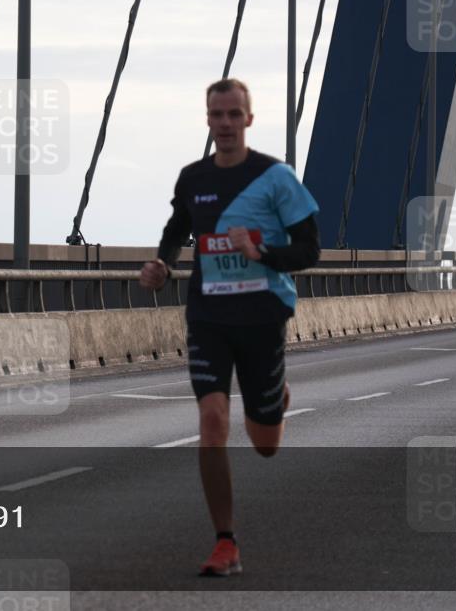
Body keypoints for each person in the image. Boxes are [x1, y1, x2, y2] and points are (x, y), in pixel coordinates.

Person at [139, 78, 321, 577]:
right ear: (207, 120)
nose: (224, 124)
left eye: (233, 114)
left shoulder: (275, 178)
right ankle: (225, 541)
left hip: (263, 315)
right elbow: (179, 228)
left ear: (248, 119)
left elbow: (309, 251)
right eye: (216, 115)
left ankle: (276, 397)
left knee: (265, 444)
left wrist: (260, 252)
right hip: (210, 315)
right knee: (212, 422)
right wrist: (162, 263)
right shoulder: (193, 178)